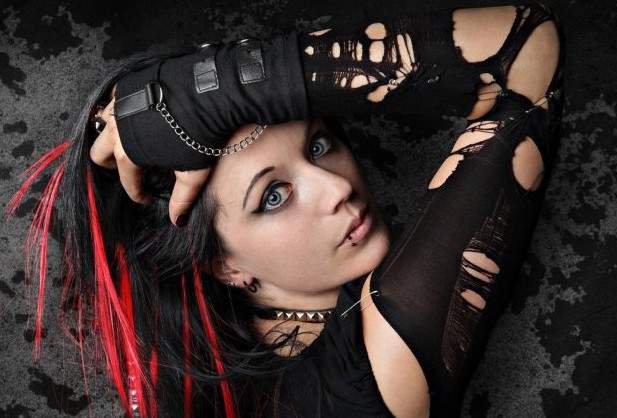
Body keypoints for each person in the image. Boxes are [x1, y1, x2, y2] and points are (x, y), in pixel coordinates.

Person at [9, 1, 564, 417]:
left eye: (319, 145)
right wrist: (221, 83)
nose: (335, 188)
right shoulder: (361, 382)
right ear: (223, 264)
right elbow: (525, 50)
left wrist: (204, 93)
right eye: (273, 197)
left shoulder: (235, 375)